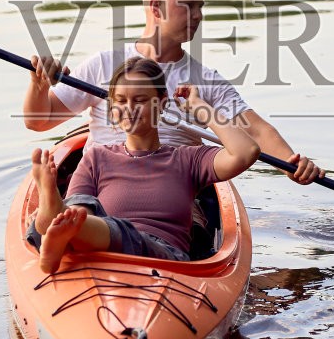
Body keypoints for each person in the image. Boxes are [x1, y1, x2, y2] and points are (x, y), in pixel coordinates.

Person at [22, 0, 324, 183]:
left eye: (200, 6)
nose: (199, 16)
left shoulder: (206, 80)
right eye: (189, 6)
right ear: (156, 8)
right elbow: (39, 121)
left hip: (174, 189)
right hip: (102, 181)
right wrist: (38, 85)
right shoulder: (103, 63)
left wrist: (292, 164)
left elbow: (256, 130)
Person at [28, 55, 259, 273]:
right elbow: (81, 213)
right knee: (77, 213)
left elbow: (246, 152)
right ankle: (57, 224)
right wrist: (67, 217)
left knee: (111, 228)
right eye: (121, 101)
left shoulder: (188, 159)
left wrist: (202, 108)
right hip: (101, 256)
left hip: (164, 258)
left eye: (140, 100)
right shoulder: (96, 157)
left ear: (161, 103)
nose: (129, 108)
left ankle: (54, 224)